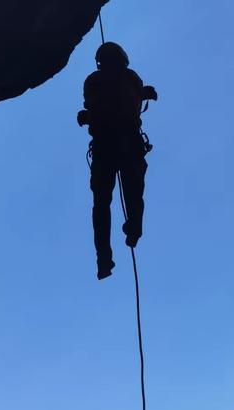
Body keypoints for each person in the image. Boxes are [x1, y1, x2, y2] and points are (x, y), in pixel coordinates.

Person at [78, 42, 157, 279]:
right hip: (128, 143)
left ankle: (104, 259)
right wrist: (147, 93)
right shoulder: (130, 77)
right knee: (133, 192)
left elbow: (96, 108)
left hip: (105, 145)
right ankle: (134, 229)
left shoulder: (93, 81)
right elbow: (128, 99)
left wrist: (86, 117)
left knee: (102, 203)